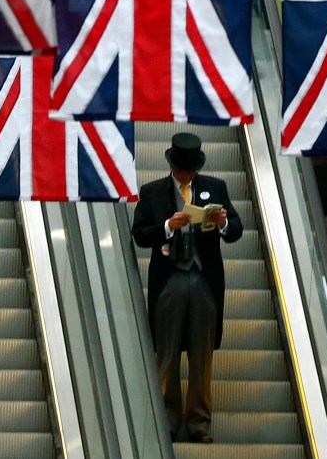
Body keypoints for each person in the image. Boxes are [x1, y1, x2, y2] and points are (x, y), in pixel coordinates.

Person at [131, 132, 243, 444]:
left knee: (201, 355)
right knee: (166, 353)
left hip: (204, 279)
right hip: (170, 279)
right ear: (173, 167)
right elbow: (140, 234)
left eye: (190, 172)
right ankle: (166, 420)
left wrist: (221, 222)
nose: (186, 176)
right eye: (182, 172)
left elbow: (235, 229)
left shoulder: (214, 188)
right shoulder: (152, 193)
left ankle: (199, 423)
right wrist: (167, 227)